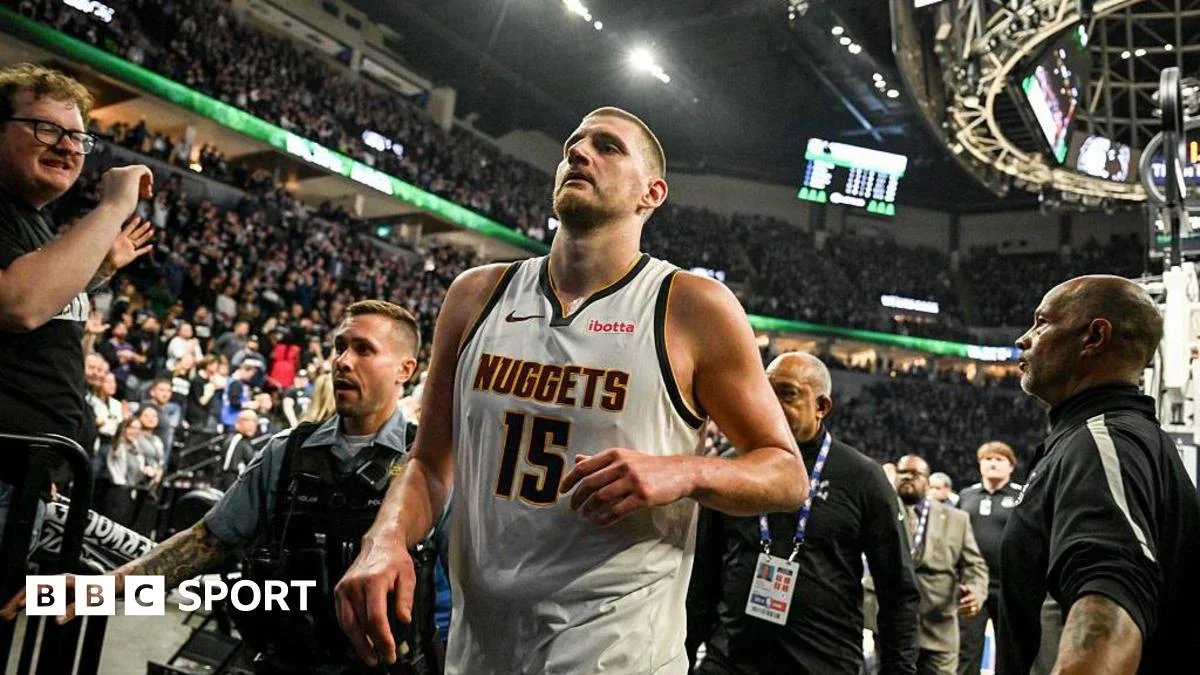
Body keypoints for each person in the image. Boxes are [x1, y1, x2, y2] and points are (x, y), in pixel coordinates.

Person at [335, 106, 807, 674]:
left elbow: (786, 473)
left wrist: (685, 472)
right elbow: (430, 463)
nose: (578, 153)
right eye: (572, 146)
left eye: (607, 147)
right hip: (481, 649)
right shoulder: (475, 295)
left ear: (652, 193)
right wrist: (386, 538)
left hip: (618, 654)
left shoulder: (691, 306)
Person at [1, 300, 438, 674]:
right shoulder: (285, 453)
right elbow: (206, 543)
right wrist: (102, 587)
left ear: (406, 369)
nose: (342, 360)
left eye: (364, 349)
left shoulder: (429, 465)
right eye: (340, 346)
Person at [999, 275, 1200, 675]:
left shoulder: (1102, 443)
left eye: (1041, 323)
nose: (1024, 338)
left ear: (1094, 337)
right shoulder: (1114, 439)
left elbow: (1109, 597)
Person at [686, 352, 919, 674]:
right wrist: (684, 654)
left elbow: (897, 590)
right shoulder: (731, 467)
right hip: (731, 661)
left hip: (824, 664)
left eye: (788, 393)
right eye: (766, 392)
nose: (771, 404)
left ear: (822, 406)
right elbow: (703, 575)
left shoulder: (861, 477)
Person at [0, 63, 152, 542]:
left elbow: (41, 320)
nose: (67, 147)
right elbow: (19, 306)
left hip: (26, 479)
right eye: (46, 128)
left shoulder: (33, 224)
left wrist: (98, 271)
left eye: (78, 137)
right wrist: (113, 207)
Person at [895, 454, 988, 675]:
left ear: (927, 482)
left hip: (939, 623)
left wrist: (975, 592)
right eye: (902, 472)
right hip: (894, 623)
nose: (908, 477)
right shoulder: (881, 511)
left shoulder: (956, 519)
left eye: (915, 474)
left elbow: (975, 566)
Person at [956, 442, 1023, 675]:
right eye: (987, 459)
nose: (992, 463)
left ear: (1011, 467)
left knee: (1010, 650)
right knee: (967, 649)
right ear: (979, 464)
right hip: (971, 586)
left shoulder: (1022, 495)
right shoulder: (966, 496)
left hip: (1009, 585)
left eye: (999, 459)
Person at [216, 409, 258, 491]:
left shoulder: (247, 442)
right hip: (232, 488)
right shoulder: (235, 441)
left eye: (254, 421)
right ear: (238, 423)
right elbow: (228, 470)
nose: (251, 424)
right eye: (247, 420)